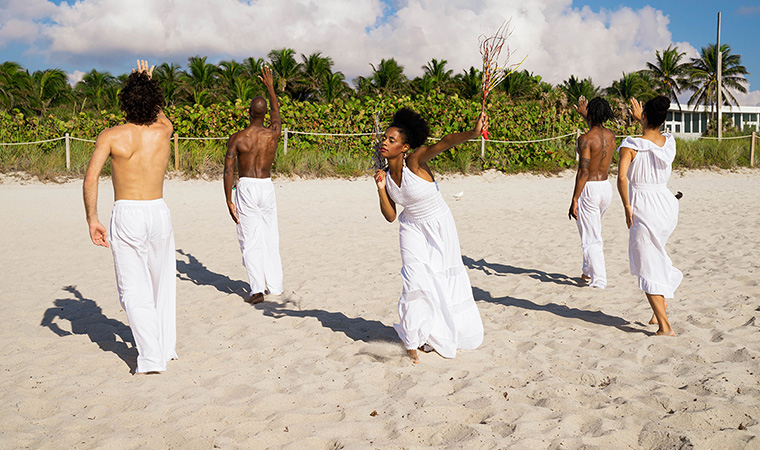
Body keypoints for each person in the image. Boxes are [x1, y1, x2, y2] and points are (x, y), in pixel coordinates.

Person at [83, 60, 177, 373]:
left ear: (124, 101)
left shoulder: (110, 136)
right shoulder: (164, 130)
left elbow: (91, 178)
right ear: (154, 101)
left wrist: (92, 218)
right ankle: (165, 347)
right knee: (160, 282)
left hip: (127, 213)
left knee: (133, 289)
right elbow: (162, 115)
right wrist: (147, 82)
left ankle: (151, 357)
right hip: (158, 211)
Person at [374, 107, 486, 363]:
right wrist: (381, 188)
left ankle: (438, 332)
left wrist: (473, 132)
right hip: (411, 226)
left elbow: (445, 142)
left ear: (404, 147)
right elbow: (391, 216)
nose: (385, 142)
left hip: (438, 224)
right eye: (385, 138)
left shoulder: (414, 161)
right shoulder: (388, 176)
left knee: (441, 279)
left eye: (392, 140)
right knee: (413, 278)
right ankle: (413, 340)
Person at [616, 96, 683, 336]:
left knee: (647, 265)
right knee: (655, 255)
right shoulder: (668, 143)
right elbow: (651, 140)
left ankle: (665, 327)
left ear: (644, 117)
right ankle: (660, 307)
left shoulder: (630, 145)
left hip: (643, 206)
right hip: (666, 205)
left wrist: (626, 207)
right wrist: (644, 120)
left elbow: (622, 177)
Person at [224, 66, 283, 304]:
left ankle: (257, 289)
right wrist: (270, 88)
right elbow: (277, 117)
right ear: (265, 113)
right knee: (270, 236)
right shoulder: (273, 134)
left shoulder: (238, 138)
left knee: (250, 238)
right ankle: (276, 287)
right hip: (267, 186)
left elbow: (228, 170)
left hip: (247, 186)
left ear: (249, 112)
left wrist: (228, 199)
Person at [568, 96, 616, 288]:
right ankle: (588, 271)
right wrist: (585, 115)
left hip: (590, 188)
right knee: (592, 229)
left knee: (590, 237)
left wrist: (574, 198)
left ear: (591, 113)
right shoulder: (611, 135)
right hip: (606, 187)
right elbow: (596, 128)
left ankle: (599, 279)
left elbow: (583, 170)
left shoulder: (585, 139)